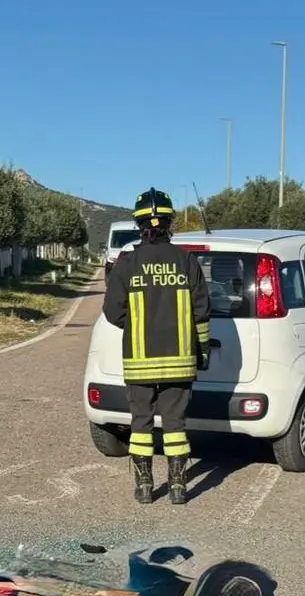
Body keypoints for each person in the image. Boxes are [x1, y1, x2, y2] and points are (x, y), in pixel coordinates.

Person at [101, 188, 210, 505]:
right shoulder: (186, 261)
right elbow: (202, 312)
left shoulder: (127, 263)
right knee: (175, 425)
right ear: (170, 221)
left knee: (141, 424)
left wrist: (135, 326)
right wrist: (201, 352)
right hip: (179, 360)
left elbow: (112, 311)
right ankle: (178, 486)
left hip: (139, 361)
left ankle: (145, 486)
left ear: (139, 225)